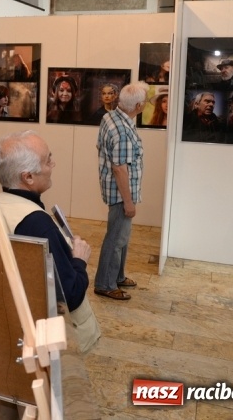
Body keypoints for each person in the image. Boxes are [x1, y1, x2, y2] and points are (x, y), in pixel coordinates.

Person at [0, 130, 97, 419]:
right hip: (34, 337)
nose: (53, 164)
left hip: (0, 327)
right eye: (48, 159)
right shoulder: (38, 224)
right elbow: (71, 293)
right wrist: (78, 261)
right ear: (28, 177)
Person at [94, 82, 148, 301]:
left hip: (117, 190)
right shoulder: (122, 130)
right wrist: (128, 202)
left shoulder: (111, 117)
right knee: (115, 239)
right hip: (120, 194)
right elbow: (119, 168)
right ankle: (105, 284)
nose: (146, 103)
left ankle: (117, 275)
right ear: (137, 105)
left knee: (121, 237)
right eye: (144, 100)